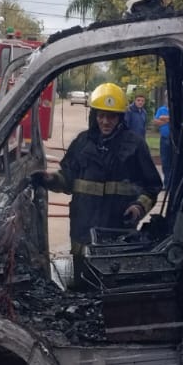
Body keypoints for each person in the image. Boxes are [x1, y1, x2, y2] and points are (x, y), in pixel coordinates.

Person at [30, 81, 162, 273]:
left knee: (113, 293)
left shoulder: (135, 146)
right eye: (101, 115)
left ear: (120, 118)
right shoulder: (82, 143)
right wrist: (50, 179)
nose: (105, 121)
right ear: (94, 115)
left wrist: (138, 207)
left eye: (111, 117)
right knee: (82, 288)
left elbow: (152, 187)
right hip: (82, 234)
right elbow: (68, 179)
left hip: (118, 235)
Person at [152, 104, 172, 184]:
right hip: (164, 138)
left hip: (174, 140)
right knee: (165, 161)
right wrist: (168, 120)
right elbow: (156, 122)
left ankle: (172, 182)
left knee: (173, 161)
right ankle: (166, 182)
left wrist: (163, 118)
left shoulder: (176, 107)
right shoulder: (161, 109)